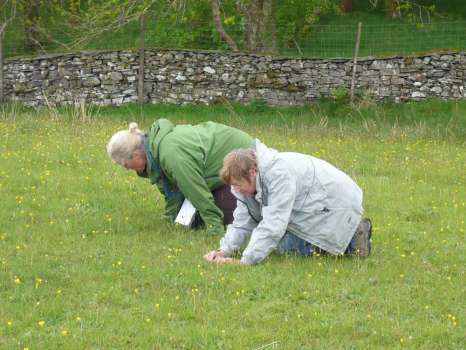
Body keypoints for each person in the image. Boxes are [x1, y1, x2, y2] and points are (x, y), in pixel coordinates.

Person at [204, 140, 372, 265]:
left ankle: (356, 237)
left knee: (286, 248)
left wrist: (244, 262)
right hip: (310, 201)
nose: (236, 190)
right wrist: (224, 250)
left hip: (335, 202)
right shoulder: (243, 182)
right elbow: (243, 221)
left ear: (252, 172)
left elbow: (273, 224)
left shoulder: (278, 175)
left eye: (238, 185)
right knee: (278, 245)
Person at [106, 119, 253, 235]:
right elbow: (172, 191)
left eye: (125, 165)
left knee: (232, 219)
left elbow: (195, 190)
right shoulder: (154, 152)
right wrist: (171, 219)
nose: (127, 169)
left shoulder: (170, 154)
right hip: (214, 171)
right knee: (191, 222)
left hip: (241, 159)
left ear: (136, 155)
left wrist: (214, 226)